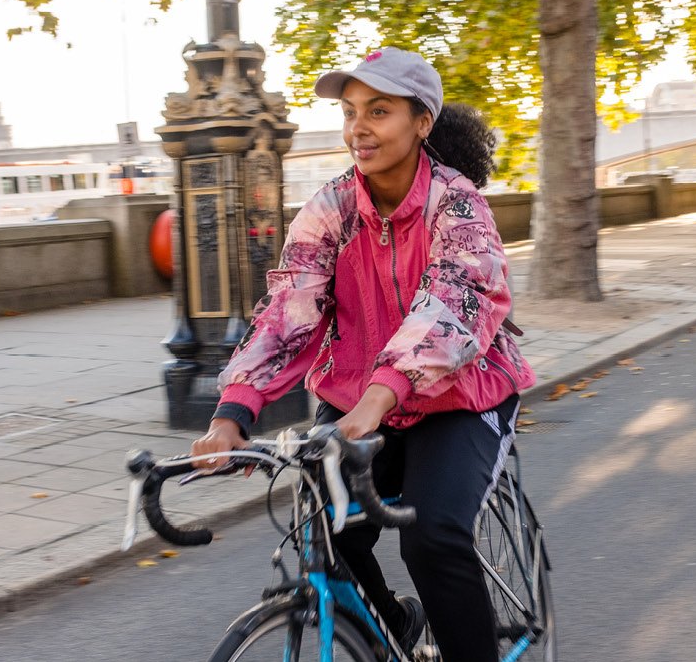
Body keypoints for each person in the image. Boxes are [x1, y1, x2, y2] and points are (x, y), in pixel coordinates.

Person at [190, 47, 535, 662]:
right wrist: (232, 413)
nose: (359, 128)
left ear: (421, 121)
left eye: (379, 111)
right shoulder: (331, 208)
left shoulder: (457, 205)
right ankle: (394, 627)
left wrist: (378, 397)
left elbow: (453, 305)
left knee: (431, 537)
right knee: (323, 531)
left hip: (458, 396)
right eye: (350, 112)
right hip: (358, 403)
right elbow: (289, 310)